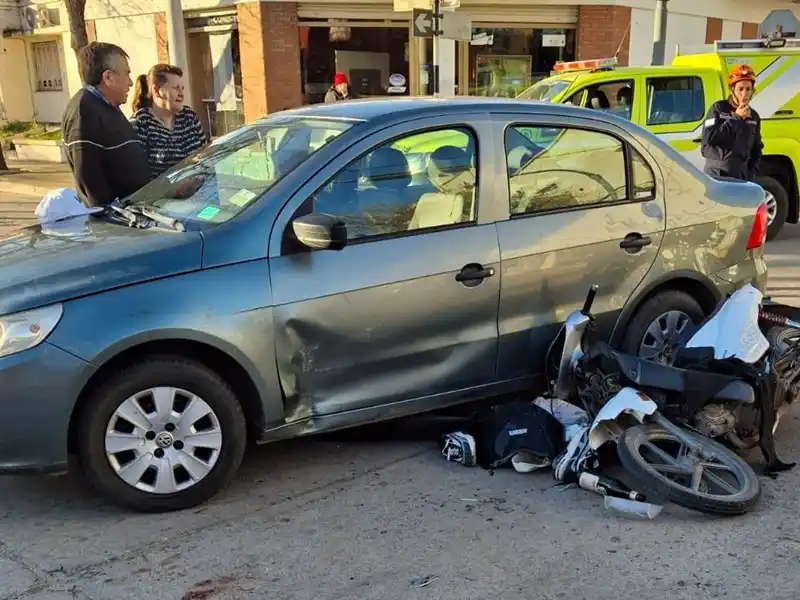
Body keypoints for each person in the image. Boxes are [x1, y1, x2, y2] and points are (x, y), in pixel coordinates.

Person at [61, 42, 151, 208]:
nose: (131, 83)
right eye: (126, 74)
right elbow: (88, 178)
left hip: (134, 213)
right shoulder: (84, 111)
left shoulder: (106, 107)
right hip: (118, 223)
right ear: (108, 77)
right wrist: (108, 218)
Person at [130, 64, 208, 179]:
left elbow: (205, 152)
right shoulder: (140, 124)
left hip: (201, 191)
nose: (181, 94)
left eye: (182, 88)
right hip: (164, 196)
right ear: (156, 90)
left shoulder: (189, 116)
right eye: (176, 87)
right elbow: (139, 177)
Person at [701, 64, 763, 182]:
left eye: (748, 89)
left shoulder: (754, 117)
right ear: (732, 90)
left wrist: (752, 173)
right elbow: (710, 138)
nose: (744, 94)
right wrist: (736, 118)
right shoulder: (718, 109)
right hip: (718, 175)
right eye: (740, 89)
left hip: (741, 177)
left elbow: (757, 149)